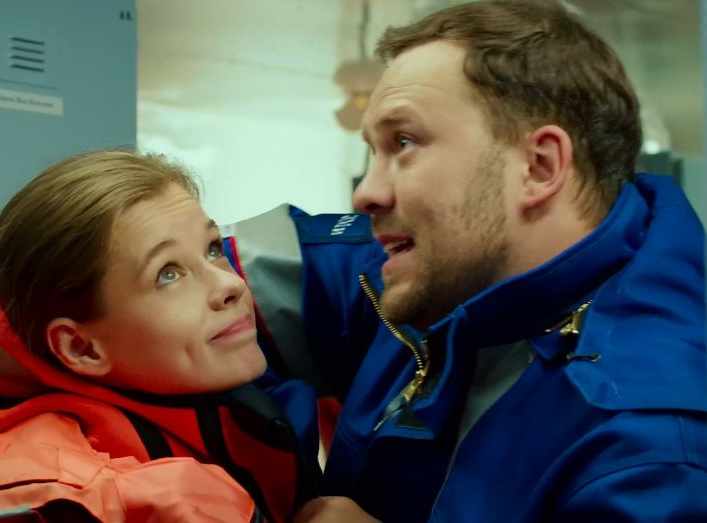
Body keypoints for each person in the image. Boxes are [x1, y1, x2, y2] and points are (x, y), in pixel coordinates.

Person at [225, 1, 707, 521]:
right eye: (373, 151)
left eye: (404, 142)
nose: (366, 193)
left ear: (539, 167)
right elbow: (184, 285)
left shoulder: (647, 452)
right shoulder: (434, 267)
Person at [0, 150, 320, 522]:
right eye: (167, 274)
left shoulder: (226, 412)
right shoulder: (99, 505)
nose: (230, 284)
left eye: (212, 249)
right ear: (82, 348)